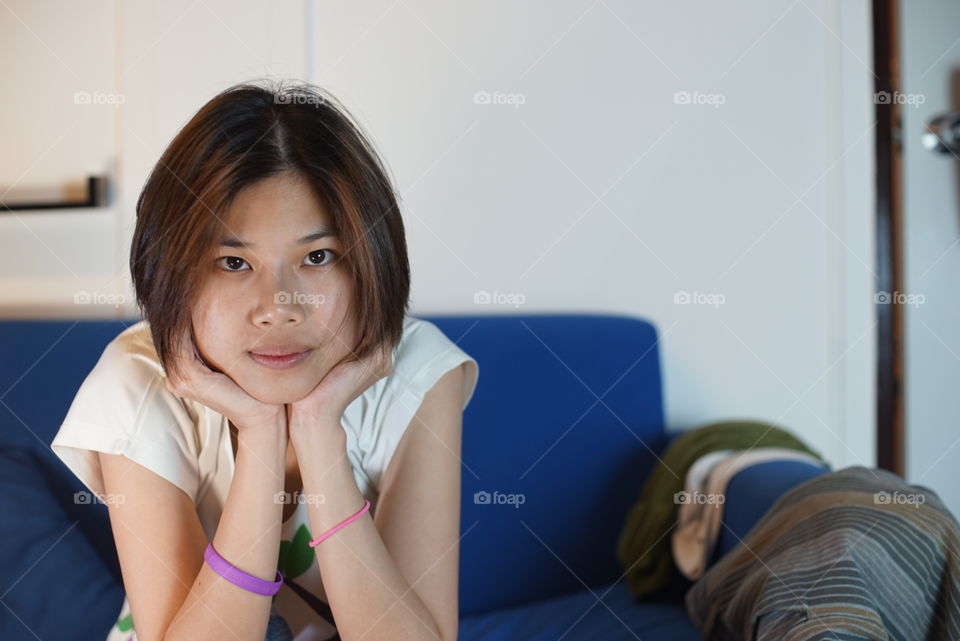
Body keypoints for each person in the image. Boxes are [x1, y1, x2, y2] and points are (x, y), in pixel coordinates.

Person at [51, 80, 479, 641]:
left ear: (373, 264)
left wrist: (319, 429)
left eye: (318, 257)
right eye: (232, 262)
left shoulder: (419, 371)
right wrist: (259, 434)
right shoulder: (137, 381)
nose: (279, 307)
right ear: (172, 274)